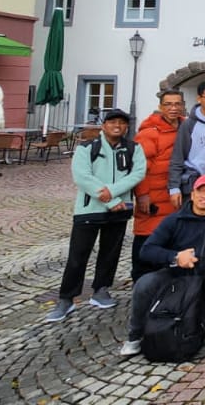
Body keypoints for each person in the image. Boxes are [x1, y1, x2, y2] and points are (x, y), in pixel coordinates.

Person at [119, 174, 205, 357]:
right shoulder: (174, 220)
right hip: (176, 276)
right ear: (192, 194)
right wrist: (175, 257)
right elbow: (147, 250)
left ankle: (203, 315)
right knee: (144, 285)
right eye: (201, 191)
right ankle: (135, 336)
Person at [47, 109, 148, 322]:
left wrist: (113, 191)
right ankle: (66, 298)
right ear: (104, 125)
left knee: (110, 252)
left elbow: (138, 173)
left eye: (122, 122)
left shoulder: (133, 148)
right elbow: (82, 177)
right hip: (89, 209)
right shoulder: (87, 148)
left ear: (126, 127)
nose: (117, 126)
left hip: (121, 209)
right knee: (78, 254)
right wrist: (110, 199)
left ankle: (101, 289)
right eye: (112, 122)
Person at [131, 89, 185, 280]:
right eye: (169, 104)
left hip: (175, 194)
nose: (173, 108)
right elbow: (140, 167)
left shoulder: (185, 127)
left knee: (172, 236)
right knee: (147, 236)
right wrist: (142, 194)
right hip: (153, 196)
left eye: (177, 104)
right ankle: (140, 281)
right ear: (160, 107)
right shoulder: (148, 133)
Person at [168, 81, 205, 207]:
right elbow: (178, 157)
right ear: (199, 99)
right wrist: (174, 188)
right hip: (195, 181)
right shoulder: (189, 125)